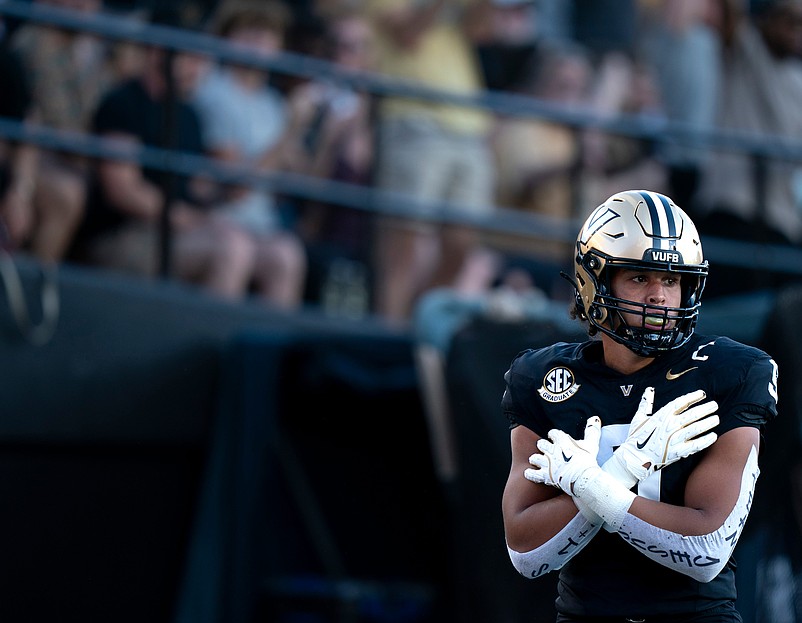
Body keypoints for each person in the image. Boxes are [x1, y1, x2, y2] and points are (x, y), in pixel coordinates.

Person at [501, 189, 778, 621]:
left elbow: (706, 551)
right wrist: (625, 467)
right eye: (639, 277)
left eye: (671, 280)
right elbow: (527, 554)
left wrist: (592, 483)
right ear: (595, 282)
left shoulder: (732, 371)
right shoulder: (545, 378)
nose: (659, 296)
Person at [69, 8, 259, 303]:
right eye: (192, 57)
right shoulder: (123, 103)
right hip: (119, 235)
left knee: (267, 248)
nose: (200, 68)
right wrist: (187, 219)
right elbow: (123, 190)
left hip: (172, 232)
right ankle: (209, 347)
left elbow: (196, 186)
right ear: (159, 52)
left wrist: (225, 190)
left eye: (203, 59)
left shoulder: (189, 114)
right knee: (232, 249)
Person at [365, 0, 501, 326]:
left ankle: (414, 325)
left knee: (462, 243)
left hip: (468, 127)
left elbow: (482, 30)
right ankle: (387, 336)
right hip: (413, 118)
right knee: (404, 246)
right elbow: (407, 34)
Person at [191, 0, 307, 309]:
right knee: (237, 250)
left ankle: (268, 355)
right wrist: (290, 132)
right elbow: (236, 188)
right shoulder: (212, 91)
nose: (258, 42)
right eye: (248, 31)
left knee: (288, 255)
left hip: (262, 225)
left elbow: (296, 182)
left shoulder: (274, 104)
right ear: (227, 37)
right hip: (216, 218)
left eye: (267, 34)